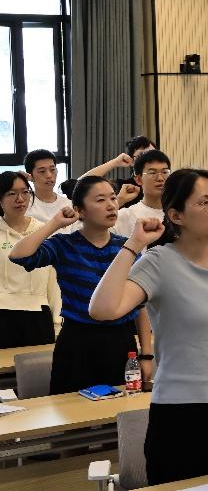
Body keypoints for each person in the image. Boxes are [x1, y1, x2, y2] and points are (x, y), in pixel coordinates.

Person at [88, 169, 208, 486]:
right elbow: (102, 309)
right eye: (204, 202)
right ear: (176, 215)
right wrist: (133, 245)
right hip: (181, 411)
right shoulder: (158, 262)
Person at [9, 175, 152, 394]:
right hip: (78, 342)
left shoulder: (127, 248)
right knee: (72, 409)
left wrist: (147, 355)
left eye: (113, 198)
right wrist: (55, 223)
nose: (111, 205)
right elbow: (19, 255)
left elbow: (140, 307)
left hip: (121, 341)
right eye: (100, 200)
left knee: (122, 408)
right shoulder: (64, 245)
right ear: (80, 210)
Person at [0, 171, 60, 348]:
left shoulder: (44, 231)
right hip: (2, 314)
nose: (20, 199)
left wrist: (57, 322)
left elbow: (53, 282)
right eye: (12, 193)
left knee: (40, 365)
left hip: (38, 314)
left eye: (25, 192)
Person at [113, 150, 170, 238]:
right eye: (153, 173)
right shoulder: (126, 216)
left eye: (165, 172)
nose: (160, 178)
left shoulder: (180, 213)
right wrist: (119, 200)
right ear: (139, 179)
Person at [24, 149, 73, 226]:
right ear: (30, 175)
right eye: (42, 171)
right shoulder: (24, 205)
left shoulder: (68, 205)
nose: (49, 175)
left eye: (52, 170)